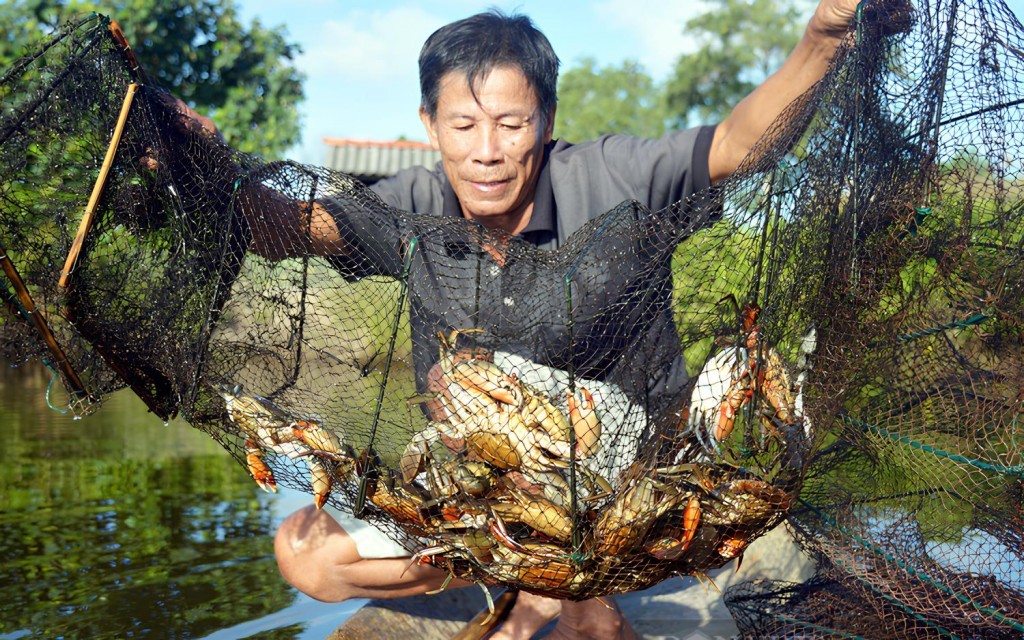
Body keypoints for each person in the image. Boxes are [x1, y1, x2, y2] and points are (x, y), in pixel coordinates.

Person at [178, 1, 870, 637]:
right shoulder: (409, 208)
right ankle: (518, 576)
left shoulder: (614, 180)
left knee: (593, 626)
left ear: (546, 120)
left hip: (626, 497)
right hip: (485, 498)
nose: (486, 150)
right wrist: (200, 171)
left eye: (511, 124)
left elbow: (740, 142)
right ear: (430, 124)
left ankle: (573, 596)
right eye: (463, 125)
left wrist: (823, 35)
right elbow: (291, 228)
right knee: (306, 556)